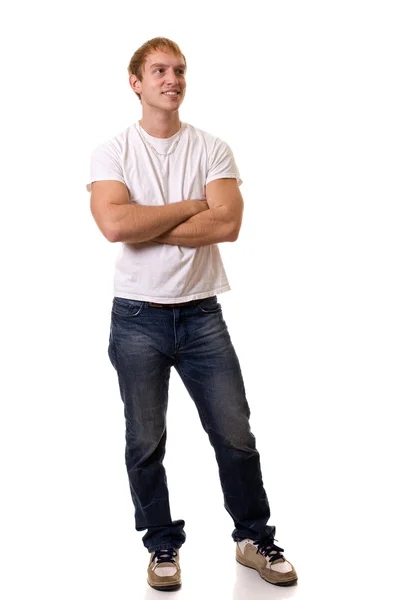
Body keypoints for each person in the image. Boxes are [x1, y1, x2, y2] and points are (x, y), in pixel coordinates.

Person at [87, 36, 297, 591]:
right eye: (159, 71)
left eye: (179, 70)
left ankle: (254, 538)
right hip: (136, 318)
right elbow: (113, 227)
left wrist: (145, 220)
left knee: (235, 434)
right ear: (136, 83)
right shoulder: (112, 152)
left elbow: (227, 225)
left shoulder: (213, 149)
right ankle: (161, 545)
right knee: (144, 439)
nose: (171, 79)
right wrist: (190, 206)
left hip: (202, 315)